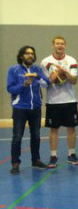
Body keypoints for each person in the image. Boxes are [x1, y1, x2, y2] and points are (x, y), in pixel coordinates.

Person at [7, 46, 50, 174]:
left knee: (36, 136)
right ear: (21, 56)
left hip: (36, 108)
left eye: (32, 53)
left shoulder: (37, 69)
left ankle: (36, 160)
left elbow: (47, 83)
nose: (30, 55)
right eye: (27, 53)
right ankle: (15, 163)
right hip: (20, 108)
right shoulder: (13, 70)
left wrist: (37, 77)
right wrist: (23, 85)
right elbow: (10, 88)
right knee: (17, 137)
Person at [40, 36, 78, 167]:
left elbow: (74, 80)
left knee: (71, 128)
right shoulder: (45, 62)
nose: (60, 46)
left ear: (65, 45)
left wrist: (65, 72)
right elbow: (43, 83)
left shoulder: (71, 60)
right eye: (57, 43)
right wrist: (51, 79)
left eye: (62, 43)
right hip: (53, 101)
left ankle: (71, 154)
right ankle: (53, 155)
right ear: (53, 45)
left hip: (69, 100)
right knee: (53, 129)